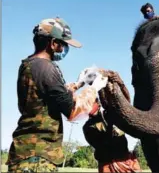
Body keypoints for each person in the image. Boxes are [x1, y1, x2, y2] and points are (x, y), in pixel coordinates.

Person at [6, 17, 107, 172]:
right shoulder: (46, 68)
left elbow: (51, 96)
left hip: (24, 152)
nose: (64, 49)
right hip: (38, 158)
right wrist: (94, 88)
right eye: (63, 44)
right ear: (53, 43)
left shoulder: (29, 66)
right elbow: (72, 110)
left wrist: (79, 83)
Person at [83, 71, 142, 173]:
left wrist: (120, 84)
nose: (88, 106)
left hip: (125, 161)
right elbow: (102, 145)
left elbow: (126, 101)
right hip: (107, 164)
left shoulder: (113, 114)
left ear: (98, 103)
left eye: (91, 102)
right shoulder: (88, 127)